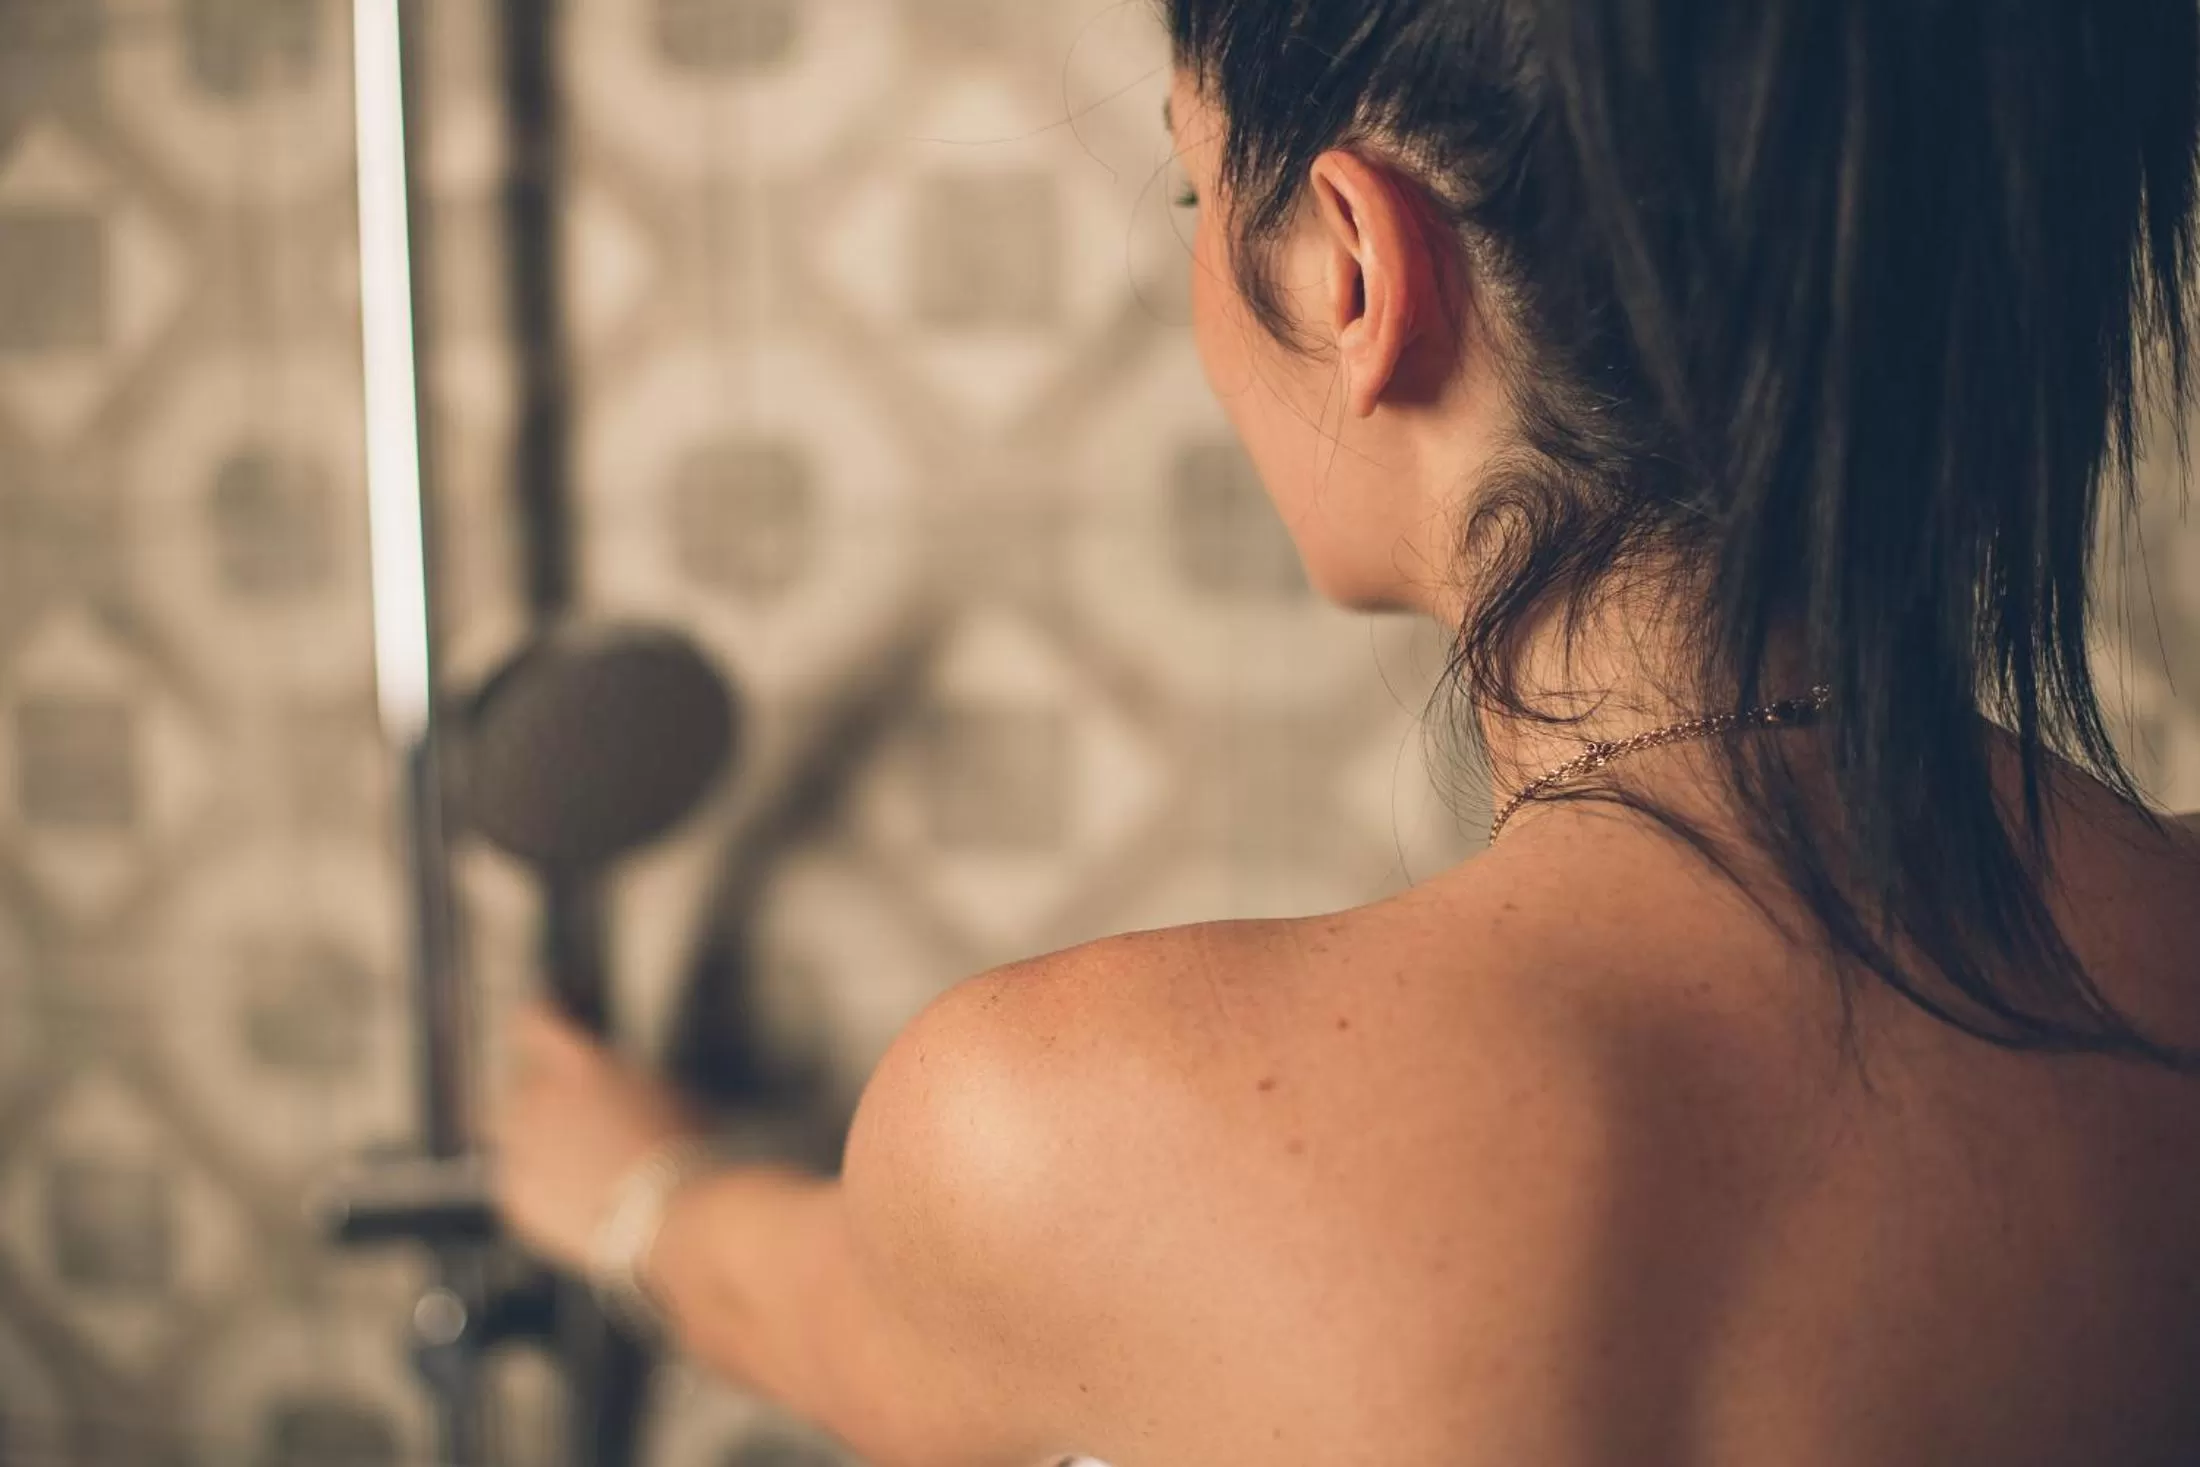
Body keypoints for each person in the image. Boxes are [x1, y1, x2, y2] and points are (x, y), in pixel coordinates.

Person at [494, 3, 2200, 1464]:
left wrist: (630, 1191)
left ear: (1356, 265)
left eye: (1191, 179)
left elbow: (818, 1307)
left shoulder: (1060, 1109)